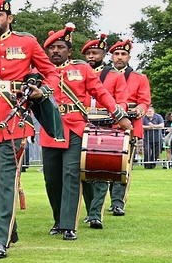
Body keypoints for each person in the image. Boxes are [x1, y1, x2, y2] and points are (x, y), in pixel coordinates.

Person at [0, 0, 59, 258]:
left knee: (7, 181)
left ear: (10, 18)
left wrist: (41, 92)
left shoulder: (27, 42)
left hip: (14, 120)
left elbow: (51, 73)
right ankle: (10, 228)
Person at [39, 24, 131, 241]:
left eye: (60, 47)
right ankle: (59, 220)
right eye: (52, 48)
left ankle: (69, 225)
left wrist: (119, 115)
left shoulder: (82, 69)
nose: (56, 51)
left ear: (69, 51)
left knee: (72, 176)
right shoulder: (39, 72)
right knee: (52, 180)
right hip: (50, 130)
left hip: (74, 129)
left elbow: (101, 93)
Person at [80, 33, 127, 229]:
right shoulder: (79, 73)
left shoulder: (115, 76)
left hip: (105, 126)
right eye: (88, 53)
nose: (91, 56)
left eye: (95, 53)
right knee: (84, 172)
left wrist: (116, 116)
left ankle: (95, 214)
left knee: (100, 171)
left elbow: (122, 100)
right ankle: (91, 209)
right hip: (82, 125)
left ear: (103, 54)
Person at [106, 39, 151, 214]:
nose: (119, 57)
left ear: (129, 57)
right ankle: (103, 202)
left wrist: (137, 110)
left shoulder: (139, 78)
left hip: (129, 125)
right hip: (107, 124)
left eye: (123, 54)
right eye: (116, 54)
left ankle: (117, 202)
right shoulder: (103, 76)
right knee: (105, 162)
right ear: (111, 56)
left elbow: (145, 101)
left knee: (123, 165)